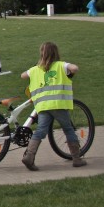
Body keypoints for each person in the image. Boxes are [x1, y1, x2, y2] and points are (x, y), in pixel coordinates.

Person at [19, 42, 85, 170]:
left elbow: (22, 75)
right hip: (59, 105)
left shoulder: (36, 69)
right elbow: (75, 68)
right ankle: (76, 159)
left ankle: (29, 156)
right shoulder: (61, 66)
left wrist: (35, 70)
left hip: (43, 106)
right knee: (68, 129)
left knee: (40, 131)